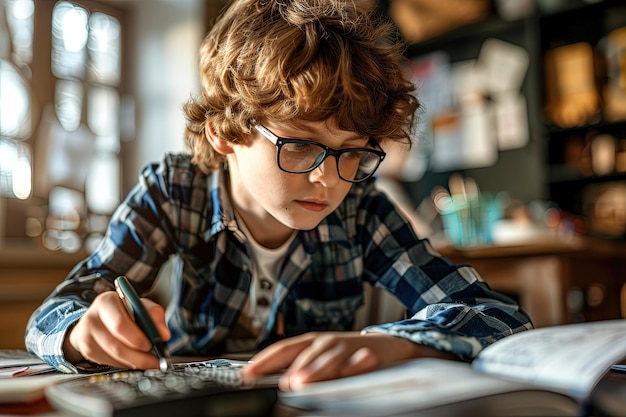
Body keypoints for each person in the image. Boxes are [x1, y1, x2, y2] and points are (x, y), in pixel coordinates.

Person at [25, 0, 532, 391]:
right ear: (225, 132)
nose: (328, 180)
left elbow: (496, 314)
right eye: (302, 145)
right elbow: (53, 313)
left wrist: (402, 344)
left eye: (351, 152)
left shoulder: (360, 207)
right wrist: (78, 332)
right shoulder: (176, 190)